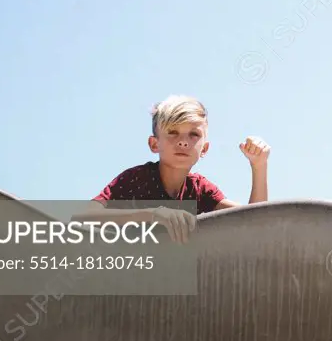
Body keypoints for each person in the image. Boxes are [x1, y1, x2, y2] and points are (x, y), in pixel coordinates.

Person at [74, 95, 271, 242]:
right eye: (173, 133)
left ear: (205, 149)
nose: (183, 142)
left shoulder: (200, 189)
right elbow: (82, 218)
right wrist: (152, 214)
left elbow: (256, 224)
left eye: (193, 134)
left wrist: (259, 165)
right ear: (154, 144)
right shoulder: (135, 179)